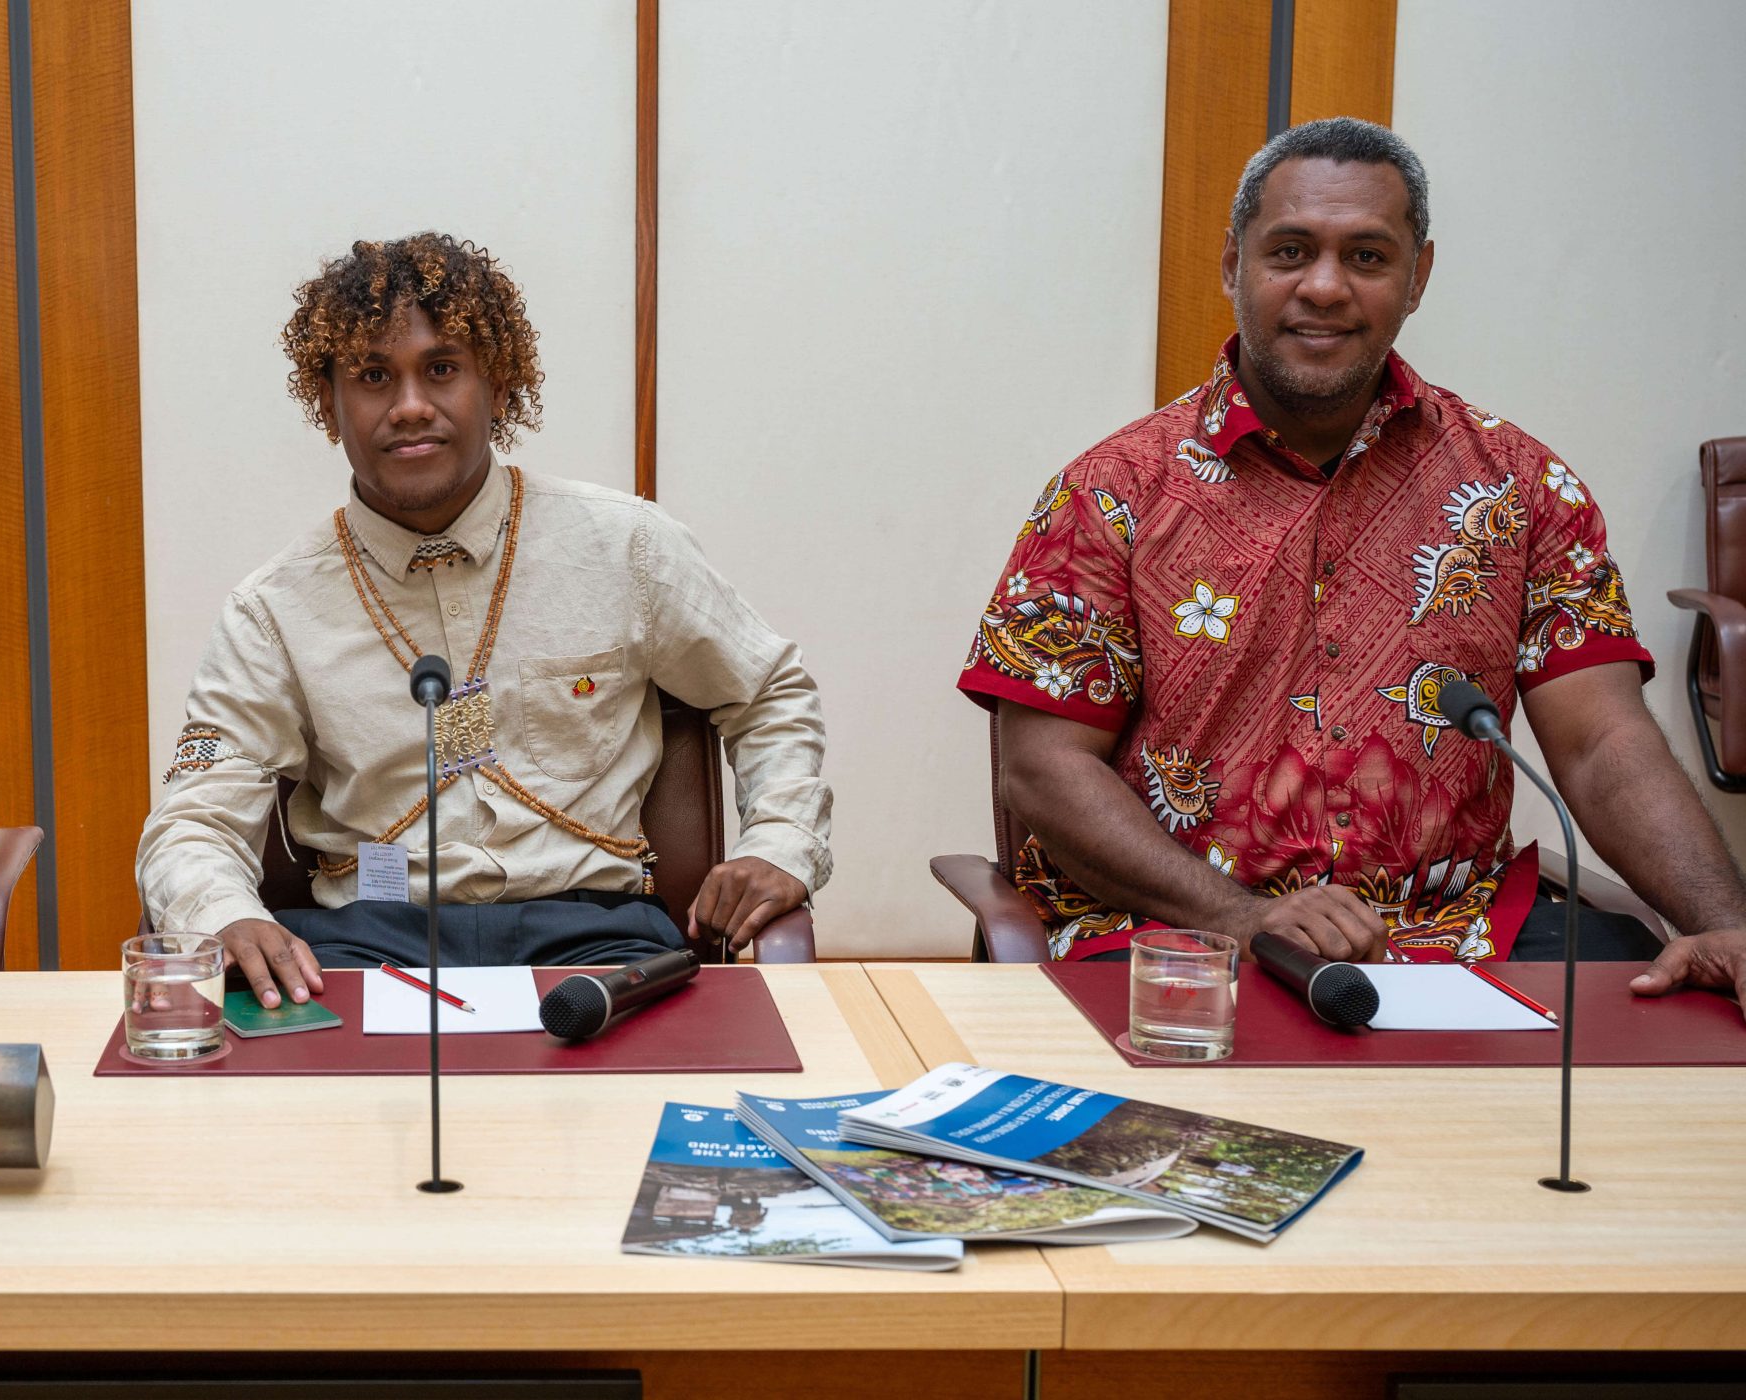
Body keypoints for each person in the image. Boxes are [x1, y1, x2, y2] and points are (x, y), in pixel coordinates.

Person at [958, 117, 1746, 1009]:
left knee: (1660, 1050)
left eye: (1367, 258)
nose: (1325, 287)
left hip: (1462, 939)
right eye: (1290, 251)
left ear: (1418, 277)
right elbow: (1044, 771)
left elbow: (1603, 742)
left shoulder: (1523, 485)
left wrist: (1724, 922)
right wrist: (1241, 916)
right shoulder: (1110, 493)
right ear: (1232, 264)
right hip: (1174, 936)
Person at [137, 233, 830, 1008]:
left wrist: (782, 842)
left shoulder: (625, 547)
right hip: (368, 946)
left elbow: (769, 692)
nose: (408, 406)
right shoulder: (272, 610)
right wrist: (223, 914)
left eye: (442, 369)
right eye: (372, 376)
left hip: (599, 939)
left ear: (498, 387)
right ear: (329, 404)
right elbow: (192, 819)